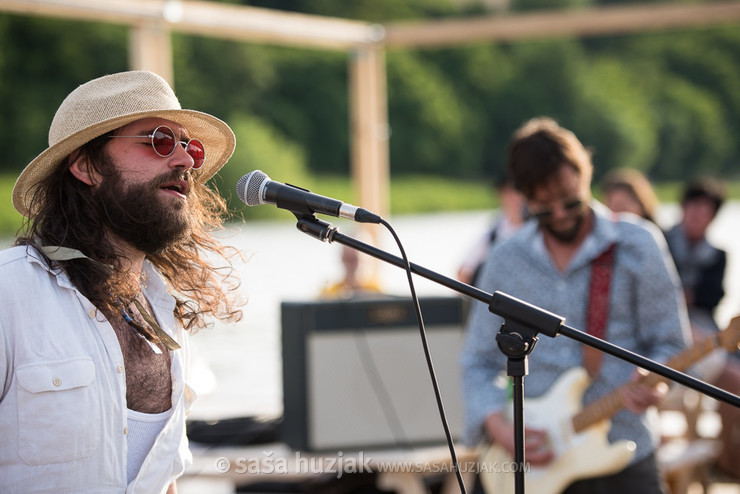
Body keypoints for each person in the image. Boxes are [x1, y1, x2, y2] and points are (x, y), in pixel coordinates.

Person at [0, 71, 244, 493]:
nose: (185, 160)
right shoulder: (10, 294)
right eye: (159, 141)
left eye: (191, 147)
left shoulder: (165, 314)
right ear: (86, 165)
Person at [461, 117, 689, 493]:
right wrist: (500, 428)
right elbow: (478, 360)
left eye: (570, 198)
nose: (562, 214)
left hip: (622, 447)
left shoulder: (637, 245)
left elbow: (671, 343)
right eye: (544, 206)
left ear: (586, 175)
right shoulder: (505, 259)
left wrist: (658, 385)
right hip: (526, 459)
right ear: (523, 197)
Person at [663, 177, 740, 477]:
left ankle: (726, 453)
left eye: (705, 211)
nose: (697, 216)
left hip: (705, 333)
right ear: (683, 208)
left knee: (736, 378)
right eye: (693, 208)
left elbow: (710, 299)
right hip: (670, 334)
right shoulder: (661, 241)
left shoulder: (717, 254)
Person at [457, 176, 526, 286]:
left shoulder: (539, 231)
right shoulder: (494, 232)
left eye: (517, 192)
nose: (514, 198)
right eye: (508, 193)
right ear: (500, 195)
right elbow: (463, 272)